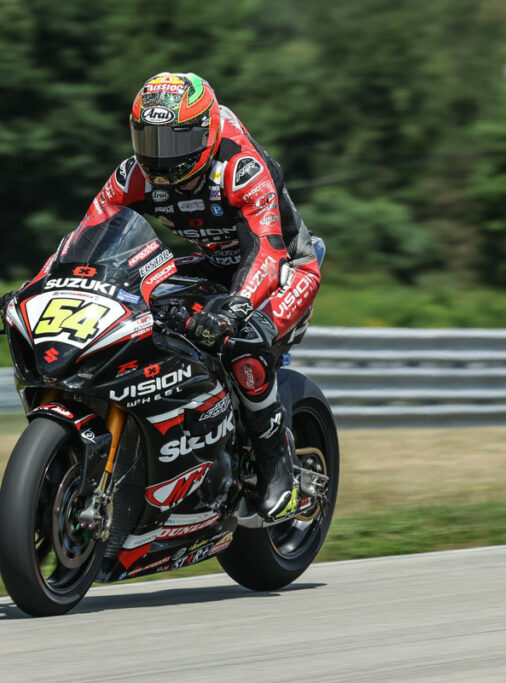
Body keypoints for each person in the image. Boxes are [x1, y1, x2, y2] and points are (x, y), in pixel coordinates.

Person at [17, 72, 322, 521]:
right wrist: (40, 284)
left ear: (205, 133)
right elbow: (84, 237)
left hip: (282, 268)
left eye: (173, 144)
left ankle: (279, 469)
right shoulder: (133, 175)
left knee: (242, 339)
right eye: (149, 140)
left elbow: (266, 251)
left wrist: (234, 311)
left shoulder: (241, 168)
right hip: (208, 262)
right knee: (134, 314)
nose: (160, 158)